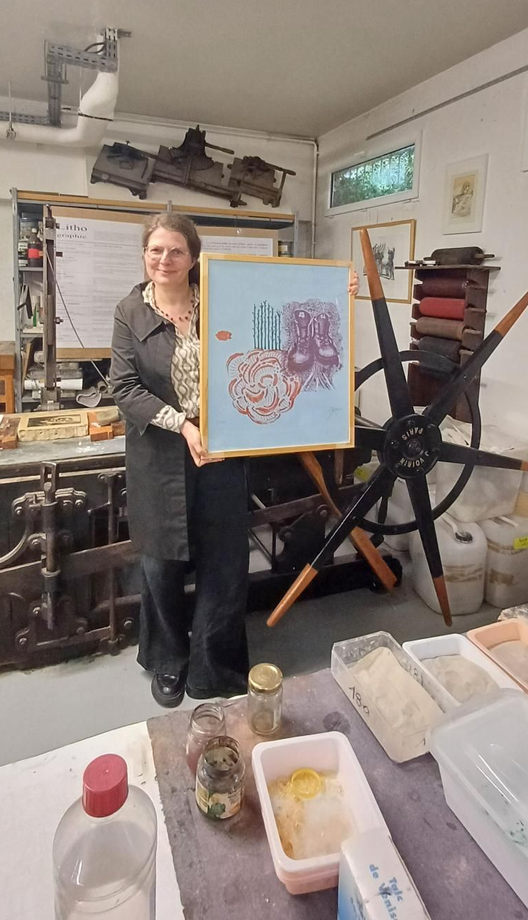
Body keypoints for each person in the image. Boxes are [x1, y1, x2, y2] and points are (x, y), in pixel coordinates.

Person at [111, 211, 359, 708]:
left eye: (176, 250)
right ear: (144, 255)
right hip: (161, 453)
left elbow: (282, 315)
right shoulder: (129, 311)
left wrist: (337, 291)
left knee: (224, 562)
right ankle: (168, 660)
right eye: (156, 250)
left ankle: (214, 668)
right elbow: (124, 387)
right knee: (161, 561)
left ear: (193, 257)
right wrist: (183, 426)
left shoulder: (223, 295)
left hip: (225, 450)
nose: (165, 259)